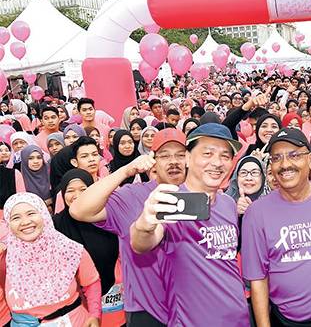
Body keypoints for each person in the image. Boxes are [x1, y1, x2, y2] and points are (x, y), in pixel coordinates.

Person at [130, 123, 250, 326]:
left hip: (239, 318)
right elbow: (141, 243)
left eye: (225, 156)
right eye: (207, 153)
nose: (217, 163)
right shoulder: (172, 201)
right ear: (187, 157)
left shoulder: (228, 204)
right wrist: (144, 224)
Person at [70, 128, 187, 326]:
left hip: (192, 305)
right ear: (153, 161)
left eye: (180, 155)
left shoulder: (200, 196)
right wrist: (126, 170)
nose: (173, 161)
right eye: (165, 156)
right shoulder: (130, 195)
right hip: (146, 310)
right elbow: (79, 210)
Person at [241, 128, 311, 326]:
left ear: (309, 160)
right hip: (287, 321)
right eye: (276, 158)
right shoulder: (256, 213)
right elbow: (258, 280)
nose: (285, 164)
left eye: (293, 155)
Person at [3, 192, 101, 326]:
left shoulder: (69, 249)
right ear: (8, 223)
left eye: (31, 213)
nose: (25, 222)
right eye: (15, 217)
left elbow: (91, 282)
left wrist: (94, 314)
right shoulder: (5, 259)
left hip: (74, 322)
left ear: (43, 214)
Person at [54, 169, 124, 327]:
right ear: (63, 194)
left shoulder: (107, 218)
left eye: (84, 190)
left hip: (113, 293)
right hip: (76, 303)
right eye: (70, 190)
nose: (77, 195)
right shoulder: (55, 225)